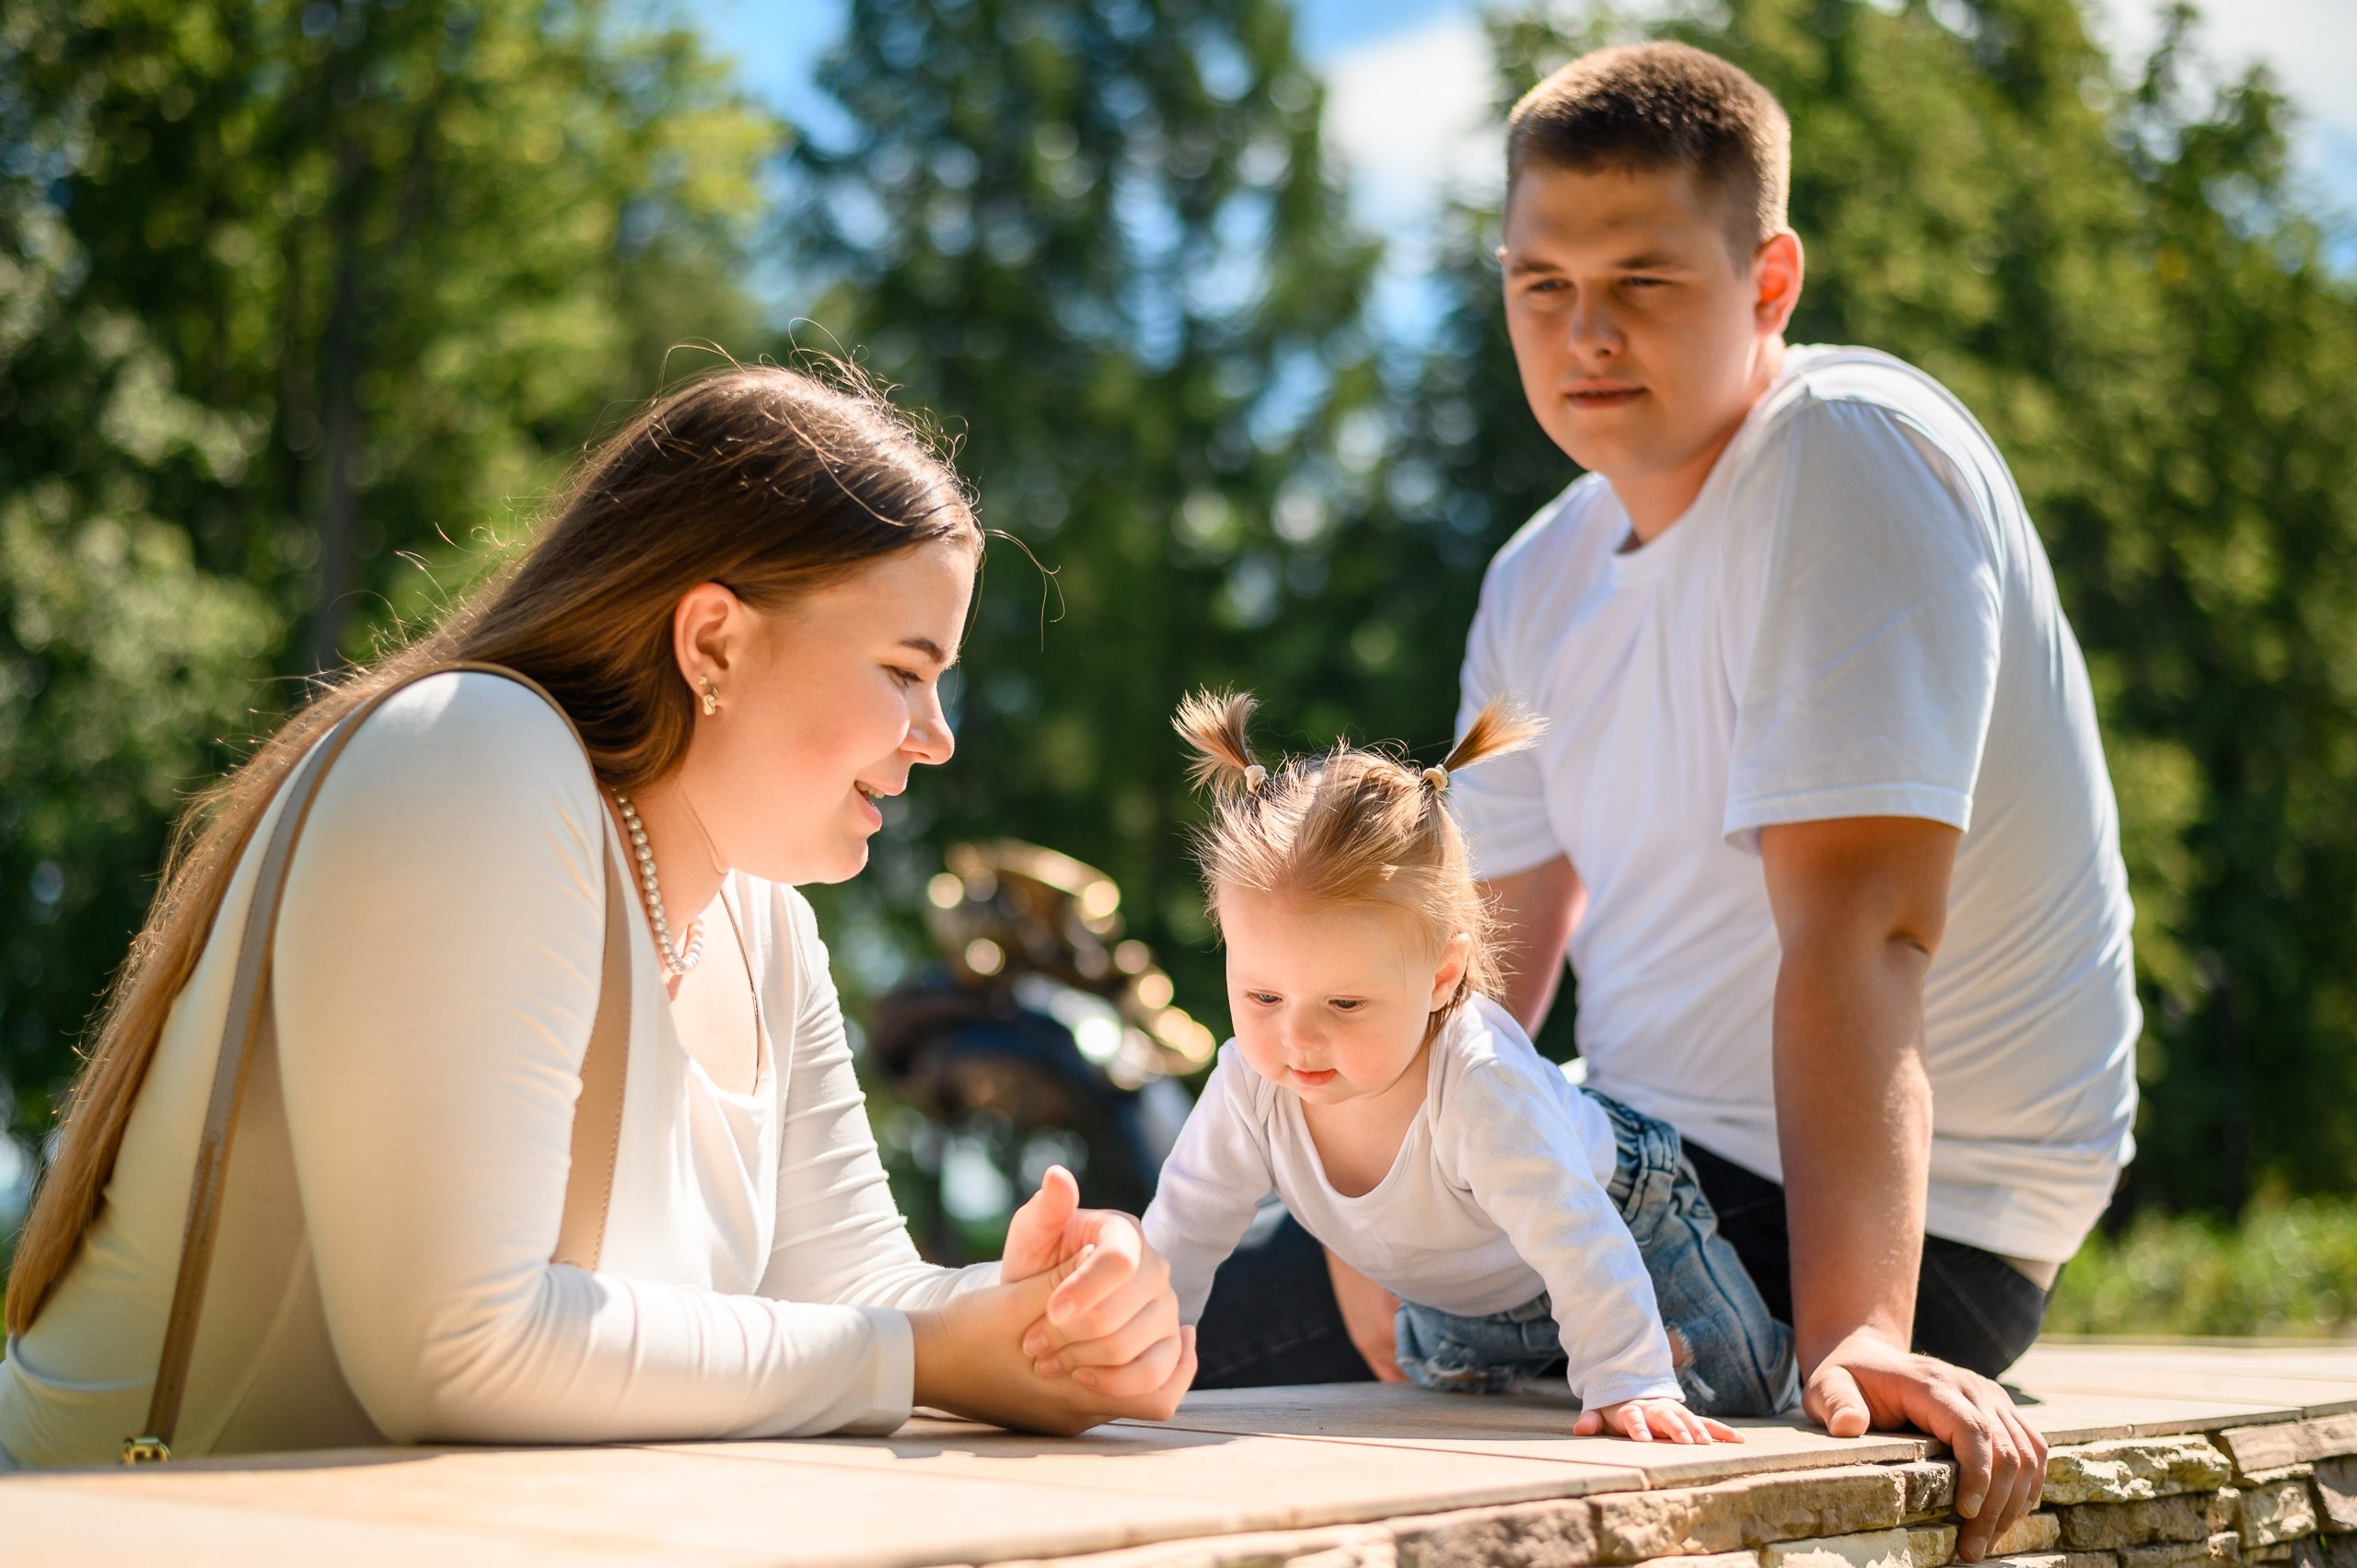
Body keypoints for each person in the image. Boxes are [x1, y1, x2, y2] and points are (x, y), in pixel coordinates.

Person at [1204, 41, 2139, 1562]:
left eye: (1643, 281)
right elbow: (1466, 960)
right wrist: (1369, 1199)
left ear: (1769, 281)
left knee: (1183, 1351)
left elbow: (1865, 923)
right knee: (1174, 1303)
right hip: (1641, 1165)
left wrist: (1856, 1334)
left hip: (1909, 1229)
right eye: (1541, 283)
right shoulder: (1540, 574)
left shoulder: (1845, 451)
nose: (1585, 333)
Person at [0, 366, 1192, 1469]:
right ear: (713, 636)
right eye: (903, 668)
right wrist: (928, 1353)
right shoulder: (475, 755)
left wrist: (1035, 1316)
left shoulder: (767, 924)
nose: (938, 734)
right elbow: (457, 1346)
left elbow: (858, 1296)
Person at [1143, 691, 1793, 1443]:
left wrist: (1627, 1374)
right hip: (1464, 1298)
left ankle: (1771, 1361)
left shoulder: (1479, 1082)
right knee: (1459, 1407)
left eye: (1345, 1003)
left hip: (1623, 1220)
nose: (1296, 1037)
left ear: (1443, 974)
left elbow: (1573, 1232)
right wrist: (1143, 1344)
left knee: (1729, 1389)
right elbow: (1185, 1225)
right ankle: (1571, 1358)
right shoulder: (1250, 1087)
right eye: (1261, 994)